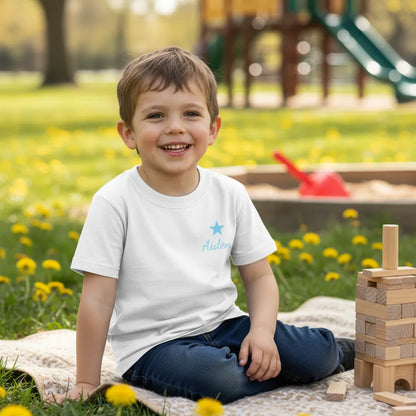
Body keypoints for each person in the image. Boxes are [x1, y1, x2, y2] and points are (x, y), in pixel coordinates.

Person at [52, 46, 354, 405]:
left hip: (227, 324)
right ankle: (270, 373)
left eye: (191, 113)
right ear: (128, 133)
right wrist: (86, 380)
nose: (175, 127)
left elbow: (258, 277)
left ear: (213, 129)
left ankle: (338, 352)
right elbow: (97, 299)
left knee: (315, 355)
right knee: (218, 377)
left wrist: (261, 333)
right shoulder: (115, 202)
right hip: (155, 346)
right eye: (156, 116)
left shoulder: (229, 193)